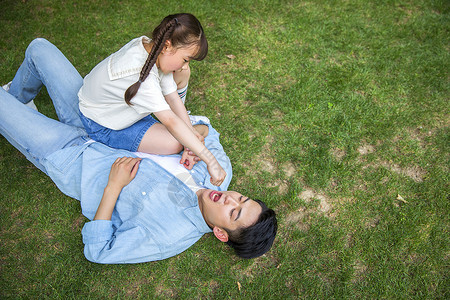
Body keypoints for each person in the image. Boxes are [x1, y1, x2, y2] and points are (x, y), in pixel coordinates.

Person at [0, 38, 277, 263]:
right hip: (101, 119)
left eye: (233, 213)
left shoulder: (169, 235)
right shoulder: (221, 172)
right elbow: (206, 128)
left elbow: (99, 251)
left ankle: (14, 114)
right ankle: (18, 102)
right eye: (241, 198)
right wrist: (197, 140)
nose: (229, 199)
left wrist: (113, 187)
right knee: (39, 49)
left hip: (71, 155)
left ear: (220, 233)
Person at [78, 13, 227, 186]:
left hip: (114, 107)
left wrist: (191, 142)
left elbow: (172, 98)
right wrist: (211, 161)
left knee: (183, 133)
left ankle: (188, 135)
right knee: (174, 142)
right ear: (167, 46)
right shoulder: (141, 78)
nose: (185, 66)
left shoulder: (150, 48)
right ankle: (185, 137)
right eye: (185, 59)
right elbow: (171, 120)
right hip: (102, 125)